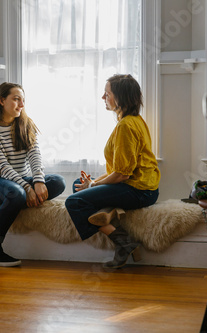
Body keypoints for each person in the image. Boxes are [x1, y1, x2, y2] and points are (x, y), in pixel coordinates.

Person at [65, 74, 160, 269]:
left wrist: (93, 185)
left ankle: (124, 242)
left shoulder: (126, 126)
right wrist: (91, 184)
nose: (103, 98)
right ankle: (105, 212)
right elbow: (120, 170)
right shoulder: (133, 120)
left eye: (107, 93)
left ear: (119, 97)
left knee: (74, 201)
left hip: (139, 190)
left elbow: (122, 174)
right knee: (77, 186)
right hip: (138, 186)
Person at [0, 82, 66, 267]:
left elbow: (35, 156)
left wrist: (38, 181)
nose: (21, 104)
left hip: (18, 181)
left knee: (58, 182)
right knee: (16, 193)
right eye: (16, 99)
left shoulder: (26, 125)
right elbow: (1, 167)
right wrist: (27, 187)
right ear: (2, 101)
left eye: (23, 100)